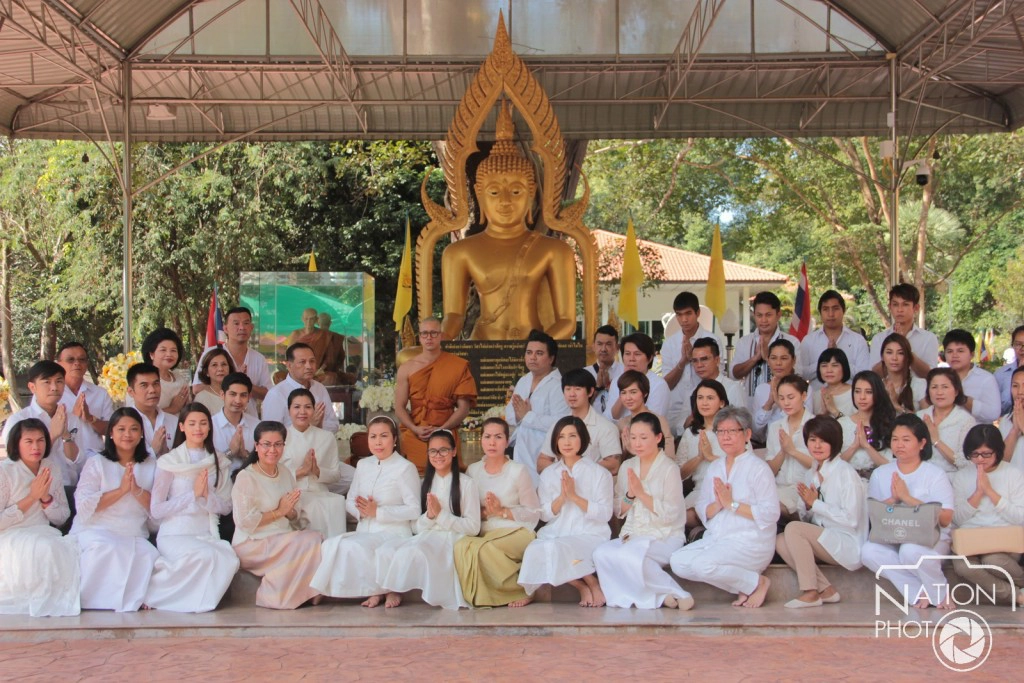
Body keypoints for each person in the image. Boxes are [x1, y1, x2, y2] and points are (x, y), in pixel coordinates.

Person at [439, 101, 576, 341]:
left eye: (516, 191)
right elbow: (453, 315)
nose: (504, 201)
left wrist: (537, 351)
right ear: (479, 195)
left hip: (534, 347)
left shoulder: (554, 250)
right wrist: (437, 341)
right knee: (407, 357)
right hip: (483, 345)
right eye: (493, 192)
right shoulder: (458, 252)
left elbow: (567, 322)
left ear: (532, 193)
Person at [669, 406, 780, 609]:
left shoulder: (759, 469)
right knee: (678, 562)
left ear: (746, 434)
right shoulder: (716, 467)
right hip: (718, 538)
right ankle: (745, 583)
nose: (725, 437)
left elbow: (771, 513)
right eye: (721, 432)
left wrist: (732, 504)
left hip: (749, 541)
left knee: (702, 565)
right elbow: (703, 508)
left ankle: (757, 583)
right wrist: (719, 504)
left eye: (732, 431)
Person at [310, 416, 420, 608]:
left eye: (384, 436)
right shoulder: (363, 465)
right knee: (330, 545)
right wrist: (362, 512)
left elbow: (414, 509)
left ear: (394, 439)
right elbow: (350, 499)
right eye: (373, 436)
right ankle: (367, 590)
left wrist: (379, 512)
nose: (378, 442)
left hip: (392, 532)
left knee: (355, 547)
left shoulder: (405, 468)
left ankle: (383, 590)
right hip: (365, 527)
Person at [146, 403, 238, 612]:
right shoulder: (169, 461)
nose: (198, 429)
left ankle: (192, 600)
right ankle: (157, 593)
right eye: (192, 423)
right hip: (175, 534)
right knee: (205, 556)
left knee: (227, 558)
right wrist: (193, 495)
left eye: (203, 423)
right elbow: (156, 509)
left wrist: (206, 497)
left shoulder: (219, 460)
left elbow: (226, 506)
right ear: (181, 427)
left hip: (204, 533)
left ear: (209, 427)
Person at [593, 413, 690, 610]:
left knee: (631, 557)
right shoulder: (627, 466)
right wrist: (630, 494)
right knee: (601, 554)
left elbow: (672, 515)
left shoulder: (669, 469)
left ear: (658, 438)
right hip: (633, 534)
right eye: (634, 437)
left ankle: (680, 594)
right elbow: (620, 510)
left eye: (644, 438)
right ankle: (660, 597)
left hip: (666, 535)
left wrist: (642, 494)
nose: (637, 443)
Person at [861, 413, 955, 609]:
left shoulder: (935, 474)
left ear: (922, 443)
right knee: (868, 552)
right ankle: (918, 591)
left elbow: (946, 518)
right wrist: (894, 499)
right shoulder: (881, 474)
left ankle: (939, 591)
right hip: (893, 535)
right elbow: (874, 514)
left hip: (931, 537)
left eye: (906, 440)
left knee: (910, 551)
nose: (899, 445)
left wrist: (908, 498)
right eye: (895, 439)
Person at [378, 430, 480, 609]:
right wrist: (430, 516)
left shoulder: (466, 483)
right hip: (426, 534)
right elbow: (416, 527)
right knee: (387, 549)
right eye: (432, 451)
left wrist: (442, 515)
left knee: (418, 551)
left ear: (454, 452)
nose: (437, 455)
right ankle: (387, 591)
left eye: (443, 450)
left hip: (451, 537)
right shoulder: (423, 483)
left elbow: (473, 527)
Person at [518, 416, 613, 607]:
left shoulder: (599, 473)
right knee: (535, 549)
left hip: (589, 532)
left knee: (557, 548)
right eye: (561, 437)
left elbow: (605, 514)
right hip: (556, 532)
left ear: (582, 439)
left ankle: (593, 584)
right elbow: (544, 514)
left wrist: (575, 496)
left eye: (572, 436)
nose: (567, 442)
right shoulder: (549, 473)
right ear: (555, 442)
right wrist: (562, 497)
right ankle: (584, 585)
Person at [70, 408, 158, 612]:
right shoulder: (96, 463)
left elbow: (157, 509)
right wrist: (121, 490)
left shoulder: (151, 465)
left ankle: (133, 600)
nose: (127, 434)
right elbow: (83, 506)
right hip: (97, 530)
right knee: (108, 549)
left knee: (148, 554)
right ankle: (96, 601)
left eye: (134, 429)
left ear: (142, 433)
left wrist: (136, 490)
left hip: (133, 532)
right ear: (111, 433)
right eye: (121, 429)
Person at [231, 421, 323, 609]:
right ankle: (274, 596)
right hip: (252, 543)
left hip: (281, 538)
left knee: (316, 539)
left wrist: (289, 511)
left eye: (278, 444)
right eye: (267, 444)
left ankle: (308, 592)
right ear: (256, 446)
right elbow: (245, 522)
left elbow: (294, 515)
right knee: (309, 540)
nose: (272, 450)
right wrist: (279, 511)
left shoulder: (286, 472)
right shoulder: (246, 477)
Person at [776, 416, 866, 608]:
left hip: (846, 542)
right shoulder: (811, 473)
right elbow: (807, 517)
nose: (817, 445)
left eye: (823, 441)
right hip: (825, 539)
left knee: (793, 528)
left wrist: (815, 504)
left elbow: (852, 520)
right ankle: (826, 590)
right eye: (812, 440)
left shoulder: (846, 473)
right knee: (780, 541)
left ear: (835, 443)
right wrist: (808, 506)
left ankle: (810, 592)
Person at [455, 417, 541, 608]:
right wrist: (486, 513)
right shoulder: (473, 470)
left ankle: (522, 590)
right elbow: (468, 510)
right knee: (461, 547)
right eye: (487, 437)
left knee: (483, 549)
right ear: (481, 440)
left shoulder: (518, 471)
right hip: (485, 531)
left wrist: (502, 511)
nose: (492, 442)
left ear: (507, 441)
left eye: (498, 437)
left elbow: (534, 513)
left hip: (517, 531)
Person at [0, 419, 80, 617]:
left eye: (40, 440)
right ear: (17, 443)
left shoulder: (51, 467)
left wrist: (46, 498)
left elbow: (62, 518)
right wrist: (31, 497)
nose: (36, 447)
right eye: (29, 441)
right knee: (45, 548)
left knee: (70, 548)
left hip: (45, 531)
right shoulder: (5, 471)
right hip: (12, 535)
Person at [951, 424, 1024, 605]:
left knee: (993, 560)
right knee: (962, 566)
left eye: (986, 454)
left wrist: (990, 492)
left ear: (998, 451)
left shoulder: (1012, 474)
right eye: (974, 455)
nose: (980, 459)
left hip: (1003, 539)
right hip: (971, 539)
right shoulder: (962, 476)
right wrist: (977, 494)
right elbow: (957, 518)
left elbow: (1020, 517)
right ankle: (1017, 596)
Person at [394, 317, 477, 473]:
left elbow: (463, 408)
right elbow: (399, 406)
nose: (429, 338)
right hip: (417, 432)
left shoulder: (457, 365)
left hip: (446, 430)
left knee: (448, 476)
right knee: (414, 477)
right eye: (425, 334)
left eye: (433, 333)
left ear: (441, 336)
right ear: (420, 337)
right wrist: (414, 428)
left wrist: (443, 430)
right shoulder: (407, 368)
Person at [0, 360, 97, 491]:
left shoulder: (71, 418)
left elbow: (77, 460)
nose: (54, 387)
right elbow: (18, 462)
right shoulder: (19, 420)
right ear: (32, 387)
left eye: (59, 381)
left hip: (70, 487)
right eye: (47, 382)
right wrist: (52, 434)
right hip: (33, 491)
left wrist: (66, 435)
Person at [280, 388, 349, 538]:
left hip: (320, 492)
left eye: (307, 407)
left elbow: (335, 475)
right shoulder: (281, 438)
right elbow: (274, 474)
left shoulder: (326, 437)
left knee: (333, 506)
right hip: (292, 494)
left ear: (314, 409)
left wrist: (317, 471)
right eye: (297, 407)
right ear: (289, 410)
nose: (302, 412)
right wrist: (302, 472)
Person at [506, 330, 570, 486]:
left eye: (539, 353)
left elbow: (561, 423)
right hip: (520, 449)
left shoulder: (558, 385)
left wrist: (528, 416)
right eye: (529, 352)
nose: (532, 357)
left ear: (551, 358)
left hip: (543, 452)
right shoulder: (523, 380)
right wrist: (520, 415)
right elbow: (509, 413)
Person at [537, 369, 622, 476]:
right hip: (560, 486)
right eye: (568, 389)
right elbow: (541, 463)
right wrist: (564, 471)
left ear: (590, 392)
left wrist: (577, 470)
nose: (572, 394)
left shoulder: (606, 427)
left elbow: (613, 465)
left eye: (577, 389)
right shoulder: (557, 426)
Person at [660, 292, 722, 435]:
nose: (684, 319)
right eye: (679, 315)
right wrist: (683, 361)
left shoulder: (712, 340)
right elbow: (666, 385)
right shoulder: (670, 344)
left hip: (703, 409)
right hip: (674, 410)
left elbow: (718, 379)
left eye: (688, 314)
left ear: (698, 313)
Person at [730, 291, 801, 408]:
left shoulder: (792, 342)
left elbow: (798, 375)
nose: (763, 320)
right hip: (749, 406)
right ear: (754, 315)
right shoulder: (745, 342)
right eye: (759, 315)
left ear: (778, 315)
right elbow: (734, 374)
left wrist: (769, 357)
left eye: (768, 315)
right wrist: (755, 359)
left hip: (781, 406)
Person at [677, 379, 728, 532]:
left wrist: (711, 457)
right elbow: (680, 473)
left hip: (729, 489)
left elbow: (745, 465)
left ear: (722, 403)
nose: (704, 403)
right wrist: (699, 457)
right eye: (700, 398)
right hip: (700, 491)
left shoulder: (733, 430)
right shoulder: (690, 433)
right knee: (682, 516)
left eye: (710, 398)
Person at [193, 306, 273, 402]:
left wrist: (244, 383)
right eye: (236, 323)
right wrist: (232, 379)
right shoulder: (211, 353)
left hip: (248, 415)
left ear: (251, 327)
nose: (242, 327)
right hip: (215, 414)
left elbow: (268, 394)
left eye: (246, 323)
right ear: (225, 329)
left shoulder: (259, 358)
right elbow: (196, 388)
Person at [262, 342, 339, 433]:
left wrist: (319, 425)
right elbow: (270, 433)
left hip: (319, 445)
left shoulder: (320, 388)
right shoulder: (276, 394)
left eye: (312, 361)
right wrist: (307, 426)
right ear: (289, 365)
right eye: (302, 362)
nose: (309, 366)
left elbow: (334, 425)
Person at [765, 375, 814, 516]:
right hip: (777, 488)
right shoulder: (775, 427)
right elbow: (770, 471)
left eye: (791, 397)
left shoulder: (816, 425)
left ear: (804, 396)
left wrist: (793, 451)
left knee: (770, 510)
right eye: (781, 398)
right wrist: (783, 452)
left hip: (803, 490)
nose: (786, 403)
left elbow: (821, 465)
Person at [797, 290, 870, 382]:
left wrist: (840, 361)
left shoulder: (858, 340)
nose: (831, 314)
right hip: (817, 395)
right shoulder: (809, 341)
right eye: (826, 309)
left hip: (850, 395)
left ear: (843, 310)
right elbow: (802, 373)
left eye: (835, 308)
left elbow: (864, 375)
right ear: (820, 313)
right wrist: (824, 361)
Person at [868, 284, 939, 377]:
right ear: (890, 307)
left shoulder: (928, 338)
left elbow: (930, 375)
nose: (899, 310)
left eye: (905, 304)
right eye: (895, 304)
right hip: (887, 390)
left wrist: (904, 346)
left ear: (916, 308)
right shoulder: (879, 338)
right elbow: (874, 374)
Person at [917, 368, 976, 475]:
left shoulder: (966, 420)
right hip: (920, 477)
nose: (939, 392)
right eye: (934, 387)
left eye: (945, 387)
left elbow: (966, 462)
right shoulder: (920, 416)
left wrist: (936, 440)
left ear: (956, 391)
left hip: (951, 480)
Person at [839, 371, 897, 478]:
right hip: (848, 485)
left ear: (878, 393)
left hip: (879, 484)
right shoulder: (842, 424)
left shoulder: (888, 423)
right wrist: (854, 446)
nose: (862, 397)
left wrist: (866, 446)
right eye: (857, 391)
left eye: (869, 392)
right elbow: (834, 466)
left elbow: (892, 466)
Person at [682, 338, 745, 430]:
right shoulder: (692, 391)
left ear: (717, 360)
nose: (699, 365)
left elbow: (742, 423)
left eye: (704, 359)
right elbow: (679, 426)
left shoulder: (733, 388)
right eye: (695, 361)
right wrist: (695, 417)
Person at [614, 370, 675, 463]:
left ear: (645, 393)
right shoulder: (622, 423)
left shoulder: (658, 421)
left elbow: (670, 459)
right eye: (623, 393)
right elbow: (617, 462)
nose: (628, 398)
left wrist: (635, 452)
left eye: (633, 392)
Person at [942, 329, 1001, 423]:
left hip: (976, 435)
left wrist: (963, 399)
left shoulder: (986, 379)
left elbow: (993, 414)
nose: (954, 355)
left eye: (960, 351)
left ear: (972, 354)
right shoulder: (940, 378)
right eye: (949, 351)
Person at [605, 332, 669, 420]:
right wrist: (625, 385)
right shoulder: (617, 381)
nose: (631, 359)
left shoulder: (658, 385)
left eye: (637, 354)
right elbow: (612, 416)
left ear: (649, 358)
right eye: (627, 353)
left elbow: (653, 420)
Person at [57, 341, 114, 438]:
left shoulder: (100, 393)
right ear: (59, 364)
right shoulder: (52, 394)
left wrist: (90, 418)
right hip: (63, 452)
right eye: (70, 360)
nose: (77, 363)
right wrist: (73, 416)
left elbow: (112, 429)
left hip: (95, 452)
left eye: (82, 359)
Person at [751, 339, 801, 442]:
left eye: (784, 358)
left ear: (794, 360)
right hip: (769, 447)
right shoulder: (761, 389)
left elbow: (804, 423)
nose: (778, 363)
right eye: (773, 358)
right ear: (768, 361)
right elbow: (756, 430)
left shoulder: (804, 389)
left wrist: (779, 402)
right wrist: (769, 403)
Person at [211, 372, 261, 472]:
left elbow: (263, 464)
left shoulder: (257, 425)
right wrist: (230, 452)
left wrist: (245, 454)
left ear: (249, 397)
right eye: (233, 394)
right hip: (220, 486)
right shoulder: (210, 426)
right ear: (222, 394)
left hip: (250, 484)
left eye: (243, 395)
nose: (238, 400)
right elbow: (206, 466)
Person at [126, 362, 177, 456]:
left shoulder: (174, 421)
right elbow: (123, 460)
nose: (152, 390)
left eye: (156, 384)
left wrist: (167, 454)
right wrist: (153, 450)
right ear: (130, 391)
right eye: (144, 385)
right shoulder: (123, 423)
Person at [139, 327, 190, 414]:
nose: (169, 354)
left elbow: (188, 410)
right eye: (163, 350)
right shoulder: (142, 379)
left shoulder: (179, 378)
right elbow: (137, 415)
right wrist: (173, 409)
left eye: (173, 350)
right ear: (151, 354)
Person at [877, 333, 926, 412]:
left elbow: (927, 420)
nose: (894, 358)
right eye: (889, 352)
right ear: (882, 357)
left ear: (907, 357)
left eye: (900, 353)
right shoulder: (877, 386)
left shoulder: (919, 385)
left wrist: (896, 406)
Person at [586, 325, 624, 415]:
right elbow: (580, 406)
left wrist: (609, 386)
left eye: (608, 344)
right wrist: (598, 387)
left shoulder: (625, 372)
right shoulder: (585, 373)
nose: (603, 349)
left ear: (617, 348)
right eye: (599, 344)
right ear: (593, 347)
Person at [192, 346, 237, 416]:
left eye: (224, 364)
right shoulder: (202, 398)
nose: (220, 369)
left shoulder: (238, 394)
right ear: (206, 372)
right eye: (214, 365)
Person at [811, 349, 854, 419]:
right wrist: (823, 414)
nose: (829, 370)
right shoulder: (815, 396)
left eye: (835, 365)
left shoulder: (855, 393)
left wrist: (834, 410)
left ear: (844, 367)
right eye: (824, 366)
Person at [995, 325, 1024, 416]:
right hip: (1008, 425)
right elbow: (994, 410)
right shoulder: (1000, 375)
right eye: (1018, 344)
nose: (1022, 349)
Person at [999, 366, 1024, 471]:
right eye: (1015, 386)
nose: (1020, 392)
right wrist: (1014, 430)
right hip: (1011, 484)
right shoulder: (1006, 419)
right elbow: (1002, 461)